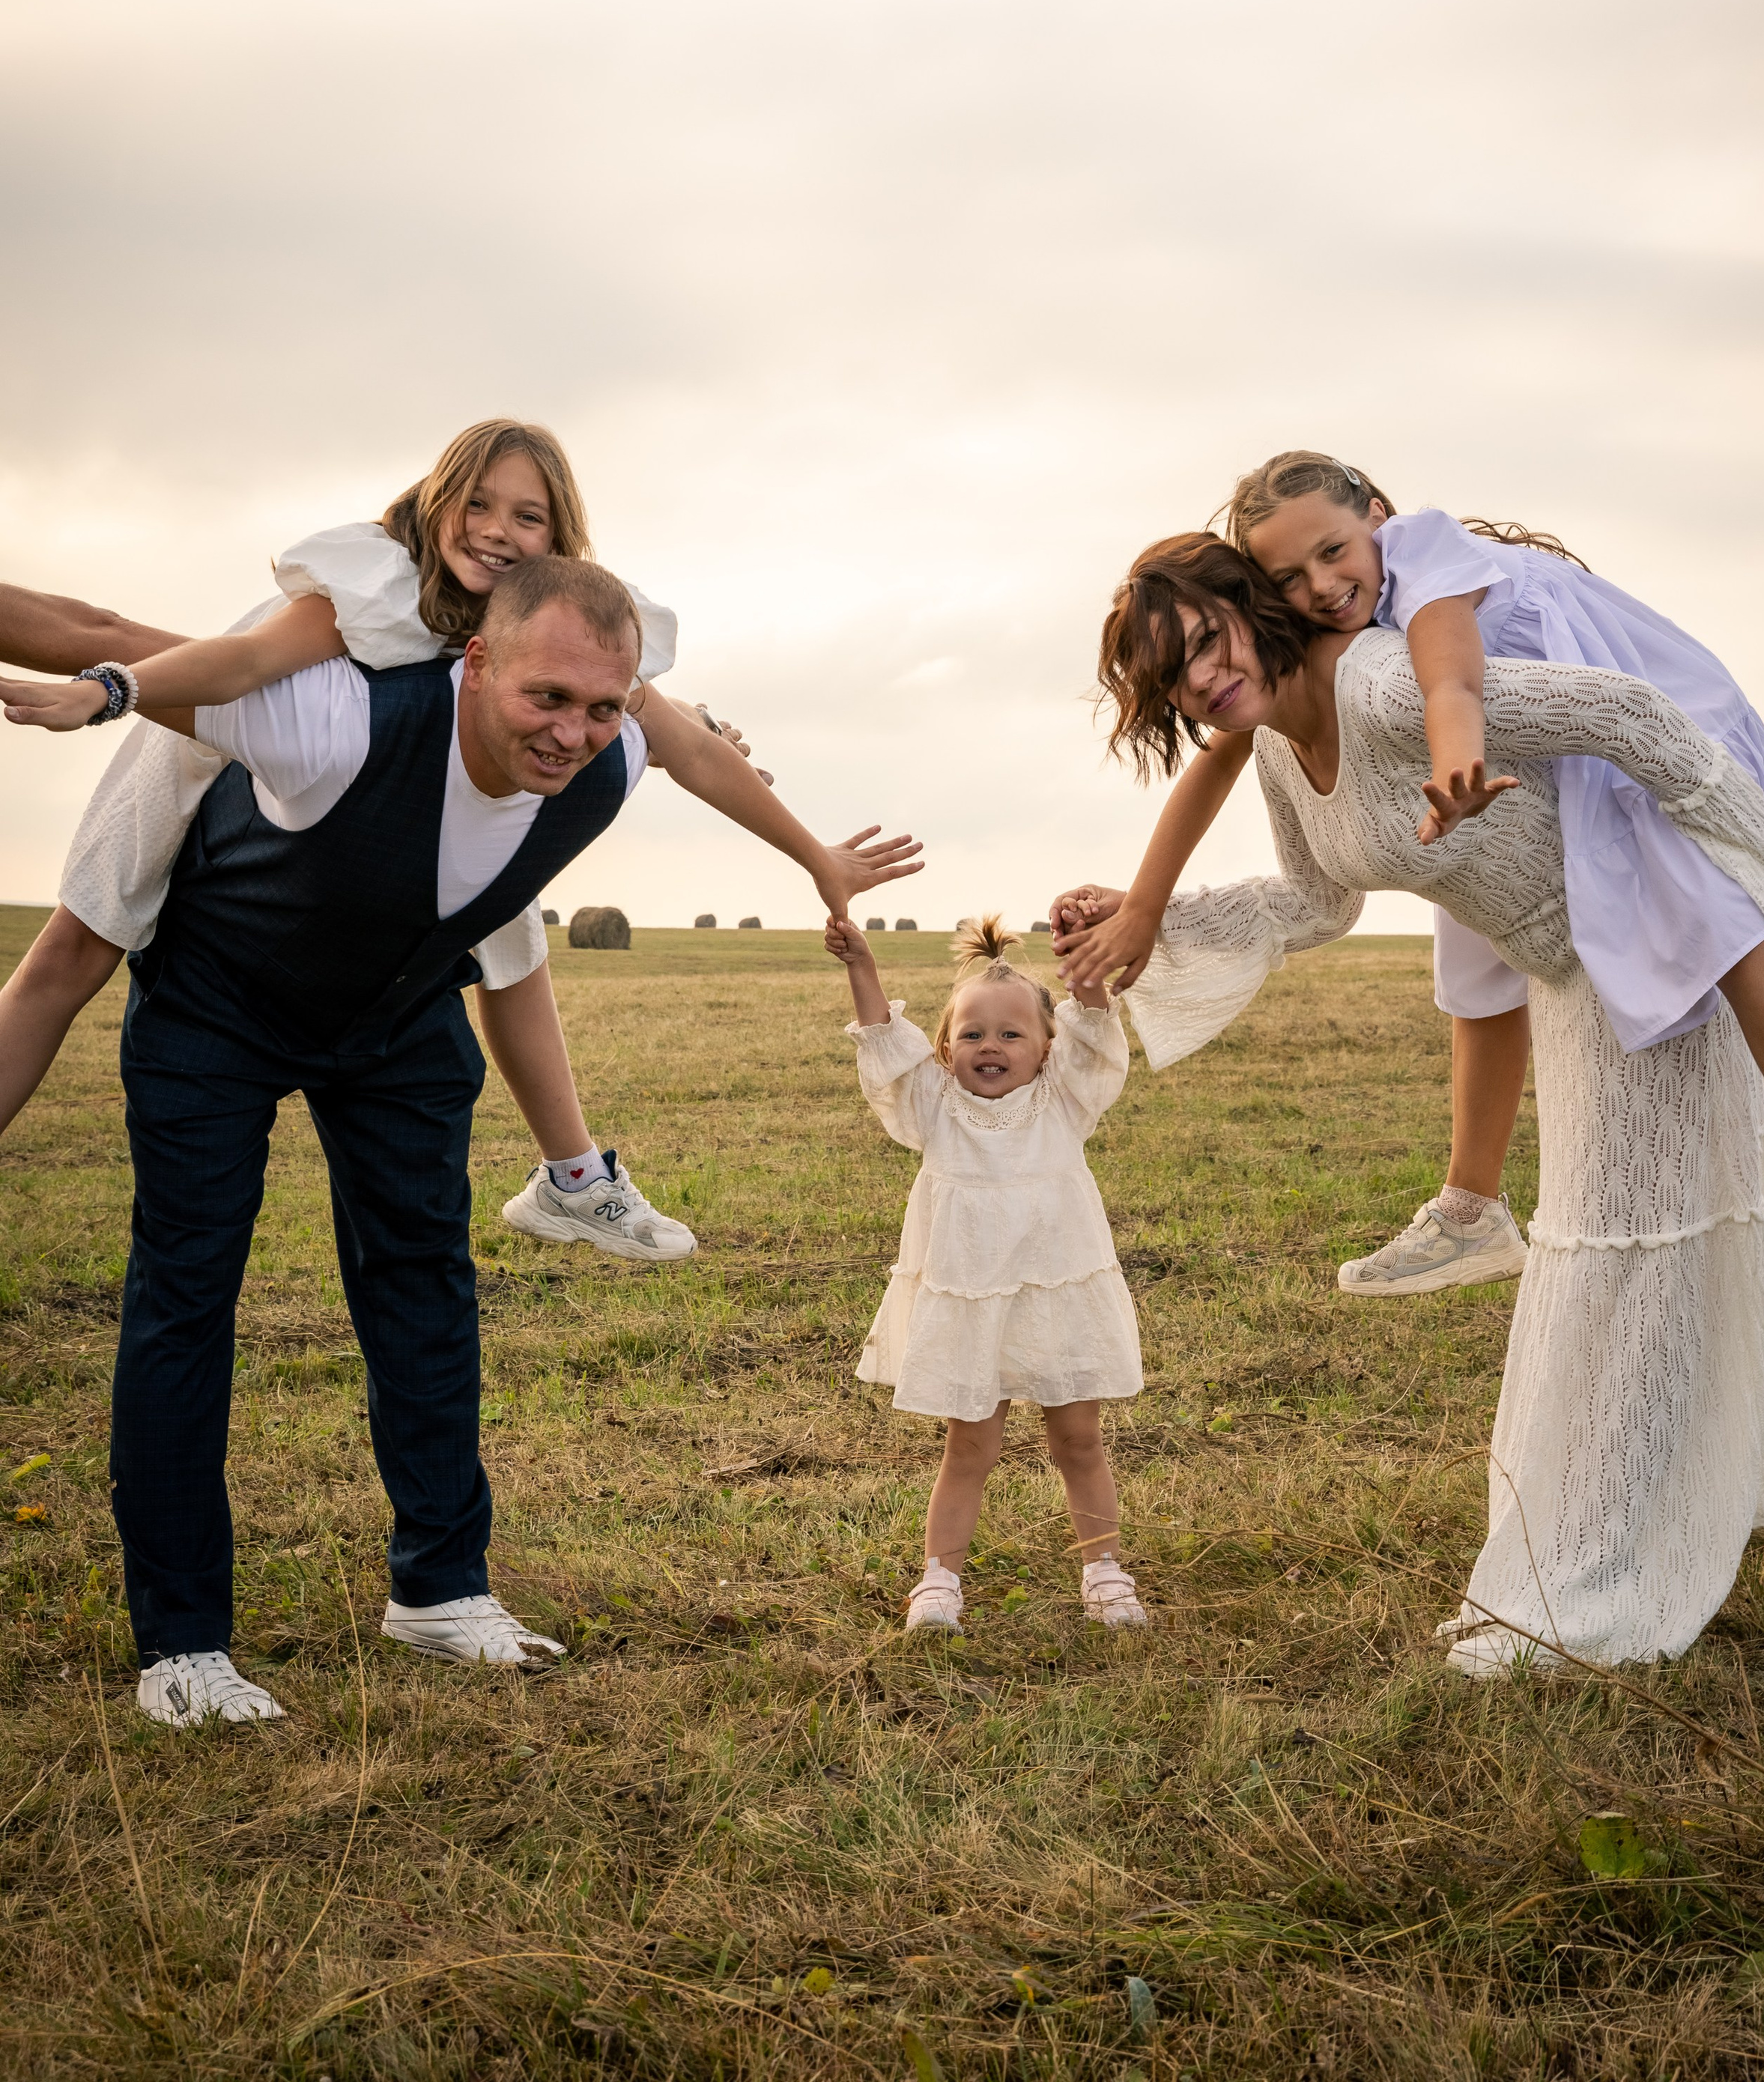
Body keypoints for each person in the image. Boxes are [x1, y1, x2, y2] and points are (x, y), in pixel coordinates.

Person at [68, 551, 923, 1726]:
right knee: (187, 1295)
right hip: (222, 998)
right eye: (547, 697)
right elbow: (94, 622)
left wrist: (814, 855)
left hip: (399, 1011)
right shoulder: (333, 718)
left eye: (604, 706)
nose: (575, 731)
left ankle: (441, 1588)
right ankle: (183, 1646)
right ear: (473, 663)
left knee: (426, 1282)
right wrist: (101, 685)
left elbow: (628, 813)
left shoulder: (613, 763)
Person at [1055, 532, 1764, 1675]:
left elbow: (1630, 717)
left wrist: (1744, 879)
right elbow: (1317, 906)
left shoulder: (1385, 685)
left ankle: (1593, 1585)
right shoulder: (1275, 749)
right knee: (1604, 1267)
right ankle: (1592, 1550)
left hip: (1652, 955)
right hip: (1570, 984)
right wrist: (1149, 912)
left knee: (1628, 1262)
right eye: (1176, 677)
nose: (1204, 679)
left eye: (1207, 641)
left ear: (1254, 609)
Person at [1078, 448, 1764, 1355]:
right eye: (1287, 576)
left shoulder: (1425, 571)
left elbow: (1454, 685)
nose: (1320, 586)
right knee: (1471, 958)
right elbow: (1227, 759)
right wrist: (1146, 907)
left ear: (1378, 514)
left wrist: (1452, 761)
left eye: (1331, 553)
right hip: (1513, 769)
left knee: (1729, 939)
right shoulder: (1304, 672)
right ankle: (1471, 1205)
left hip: (1635, 729)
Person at [0, 417, 751, 1263]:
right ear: (437, 503)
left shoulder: (546, 618)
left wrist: (706, 728)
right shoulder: (377, 589)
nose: (497, 528)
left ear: (558, 539)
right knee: (72, 954)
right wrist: (114, 691)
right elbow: (217, 661)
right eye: (475, 502)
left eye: (527, 515)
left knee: (502, 904)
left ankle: (575, 1176)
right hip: (217, 727)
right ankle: (575, 1174)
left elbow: (631, 698)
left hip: (425, 783)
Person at [828, 913, 1148, 1636]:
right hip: (972, 1304)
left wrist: (1089, 967)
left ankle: (1103, 1569)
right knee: (969, 1446)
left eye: (1010, 1034)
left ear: (1047, 1047)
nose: (990, 1046)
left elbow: (1097, 1032)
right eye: (971, 1034)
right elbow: (884, 1043)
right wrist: (862, 965)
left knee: (1080, 1442)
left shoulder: (1066, 1100)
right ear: (944, 1050)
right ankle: (939, 1580)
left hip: (1058, 1298)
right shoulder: (933, 1107)